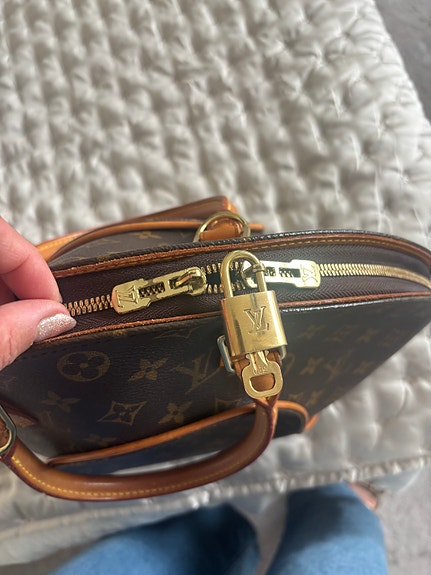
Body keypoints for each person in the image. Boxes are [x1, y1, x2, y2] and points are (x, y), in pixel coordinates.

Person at [0, 216, 389, 574]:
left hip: (89, 440)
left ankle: (211, 525)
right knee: (338, 536)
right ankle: (336, 502)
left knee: (175, 546)